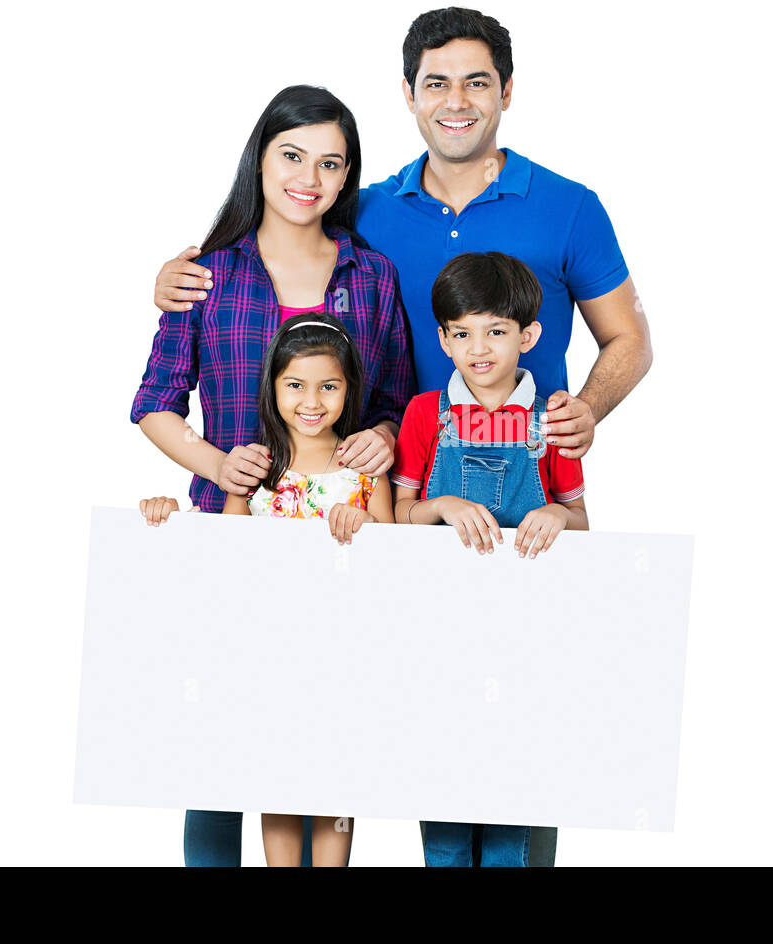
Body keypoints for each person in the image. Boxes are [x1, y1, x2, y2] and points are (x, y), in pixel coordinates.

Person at [150, 7, 651, 866]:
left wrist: (586, 413)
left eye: (477, 81)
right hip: (346, 512)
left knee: (514, 749)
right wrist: (175, 277)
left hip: (458, 502)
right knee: (275, 749)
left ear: (508, 91)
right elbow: (221, 340)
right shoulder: (371, 218)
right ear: (410, 97)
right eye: (436, 83)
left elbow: (629, 339)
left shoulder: (564, 208)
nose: (456, 101)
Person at [130, 84, 416, 866]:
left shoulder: (371, 273)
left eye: (331, 163)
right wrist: (218, 466)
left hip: (342, 549)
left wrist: (381, 441)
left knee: (332, 745)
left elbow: (394, 400)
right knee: (219, 752)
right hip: (235, 538)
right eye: (292, 155)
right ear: (260, 158)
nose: (309, 177)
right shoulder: (206, 275)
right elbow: (155, 404)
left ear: (347, 176)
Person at [140, 316, 393, 866]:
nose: (312, 401)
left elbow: (396, 566)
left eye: (329, 386)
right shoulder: (255, 469)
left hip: (342, 656)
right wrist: (170, 519)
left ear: (349, 389)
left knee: (335, 780)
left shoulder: (364, 471)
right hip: (266, 654)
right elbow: (226, 557)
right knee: (274, 776)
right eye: (296, 386)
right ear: (273, 387)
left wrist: (367, 527)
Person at [391, 251, 587, 866]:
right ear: (443, 340)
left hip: (526, 636)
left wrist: (558, 514)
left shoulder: (553, 417)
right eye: (463, 333)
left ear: (528, 335)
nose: (480, 348)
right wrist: (441, 503)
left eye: (497, 331)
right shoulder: (425, 414)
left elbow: (582, 522)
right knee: (444, 792)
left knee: (514, 790)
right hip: (439, 633)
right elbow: (400, 515)